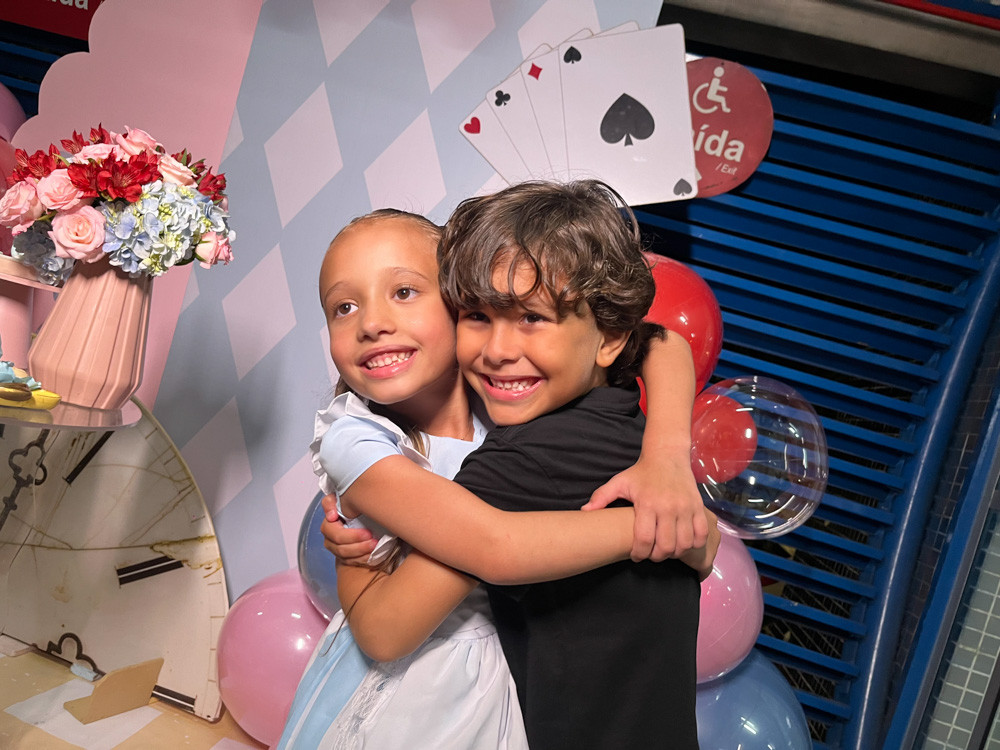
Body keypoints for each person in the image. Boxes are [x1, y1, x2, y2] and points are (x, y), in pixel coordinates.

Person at [278, 205, 716, 749]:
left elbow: (658, 341)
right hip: (407, 683)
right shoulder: (355, 437)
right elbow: (492, 547)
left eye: (405, 292)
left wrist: (667, 456)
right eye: (343, 308)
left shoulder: (504, 401)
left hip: (498, 677)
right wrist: (657, 528)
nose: (371, 323)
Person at [434, 180, 705, 748]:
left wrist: (359, 483)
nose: (498, 350)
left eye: (532, 318)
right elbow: (661, 341)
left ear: (609, 338)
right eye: (476, 315)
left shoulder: (520, 464)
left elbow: (383, 629)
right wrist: (665, 454)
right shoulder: (615, 414)